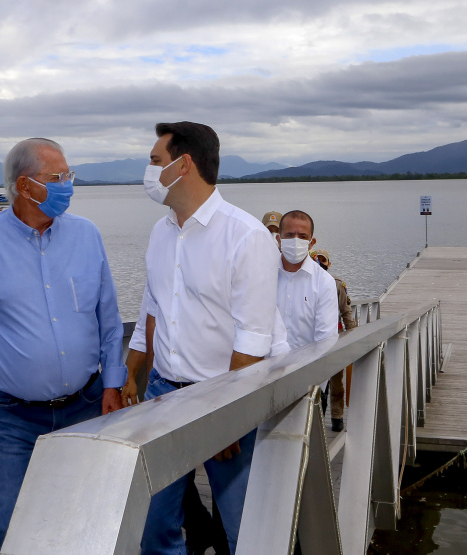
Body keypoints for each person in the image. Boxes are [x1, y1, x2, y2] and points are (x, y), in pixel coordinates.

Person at [0, 138, 126, 555]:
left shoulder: (86, 234)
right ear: (25, 186)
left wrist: (113, 382)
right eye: (58, 177)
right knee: (7, 526)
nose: (68, 185)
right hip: (13, 417)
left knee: (86, 521)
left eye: (69, 175)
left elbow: (108, 316)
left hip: (86, 406)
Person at [133, 122, 279, 555]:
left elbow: (254, 336)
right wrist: (133, 375)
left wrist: (229, 414)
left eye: (156, 161)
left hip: (222, 395)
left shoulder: (245, 235)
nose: (149, 171)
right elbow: (153, 310)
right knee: (152, 526)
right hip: (163, 395)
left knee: (241, 528)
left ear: (183, 165)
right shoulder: (161, 232)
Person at [275, 211, 338, 351]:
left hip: (306, 363)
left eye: (302, 236)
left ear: (311, 243)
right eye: (289, 235)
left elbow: (325, 339)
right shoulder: (263, 274)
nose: (295, 241)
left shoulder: (324, 282)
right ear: (279, 239)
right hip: (265, 363)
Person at [313, 248, 357, 432]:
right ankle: (316, 419)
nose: (319, 263)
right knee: (317, 381)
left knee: (337, 380)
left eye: (322, 260)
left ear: (329, 264)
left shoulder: (337, 285)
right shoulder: (307, 282)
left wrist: (353, 337)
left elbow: (346, 312)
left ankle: (337, 416)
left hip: (335, 337)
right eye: (315, 259)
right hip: (312, 339)